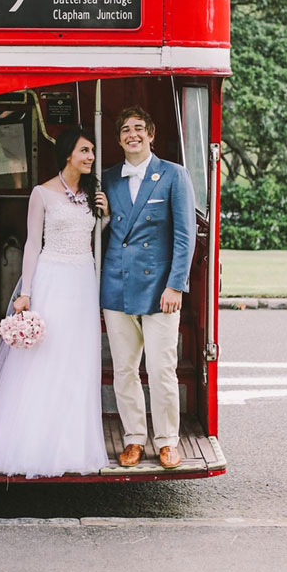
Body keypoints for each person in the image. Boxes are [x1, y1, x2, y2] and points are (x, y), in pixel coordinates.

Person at [0, 126, 109, 478]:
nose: (91, 157)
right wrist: (26, 291)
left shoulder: (93, 194)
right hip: (52, 276)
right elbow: (32, 244)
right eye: (85, 151)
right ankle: (34, 439)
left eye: (91, 151)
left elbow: (93, 237)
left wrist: (104, 218)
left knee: (77, 359)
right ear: (68, 155)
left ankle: (72, 442)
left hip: (82, 280)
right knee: (46, 358)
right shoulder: (42, 193)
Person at [100, 106, 196, 469]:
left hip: (160, 291)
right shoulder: (108, 178)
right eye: (125, 130)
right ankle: (134, 439)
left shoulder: (174, 175)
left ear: (151, 134)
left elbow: (185, 237)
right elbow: (105, 230)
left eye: (139, 128)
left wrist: (176, 286)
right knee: (124, 369)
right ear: (119, 138)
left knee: (160, 369)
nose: (132, 135)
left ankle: (168, 440)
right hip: (117, 285)